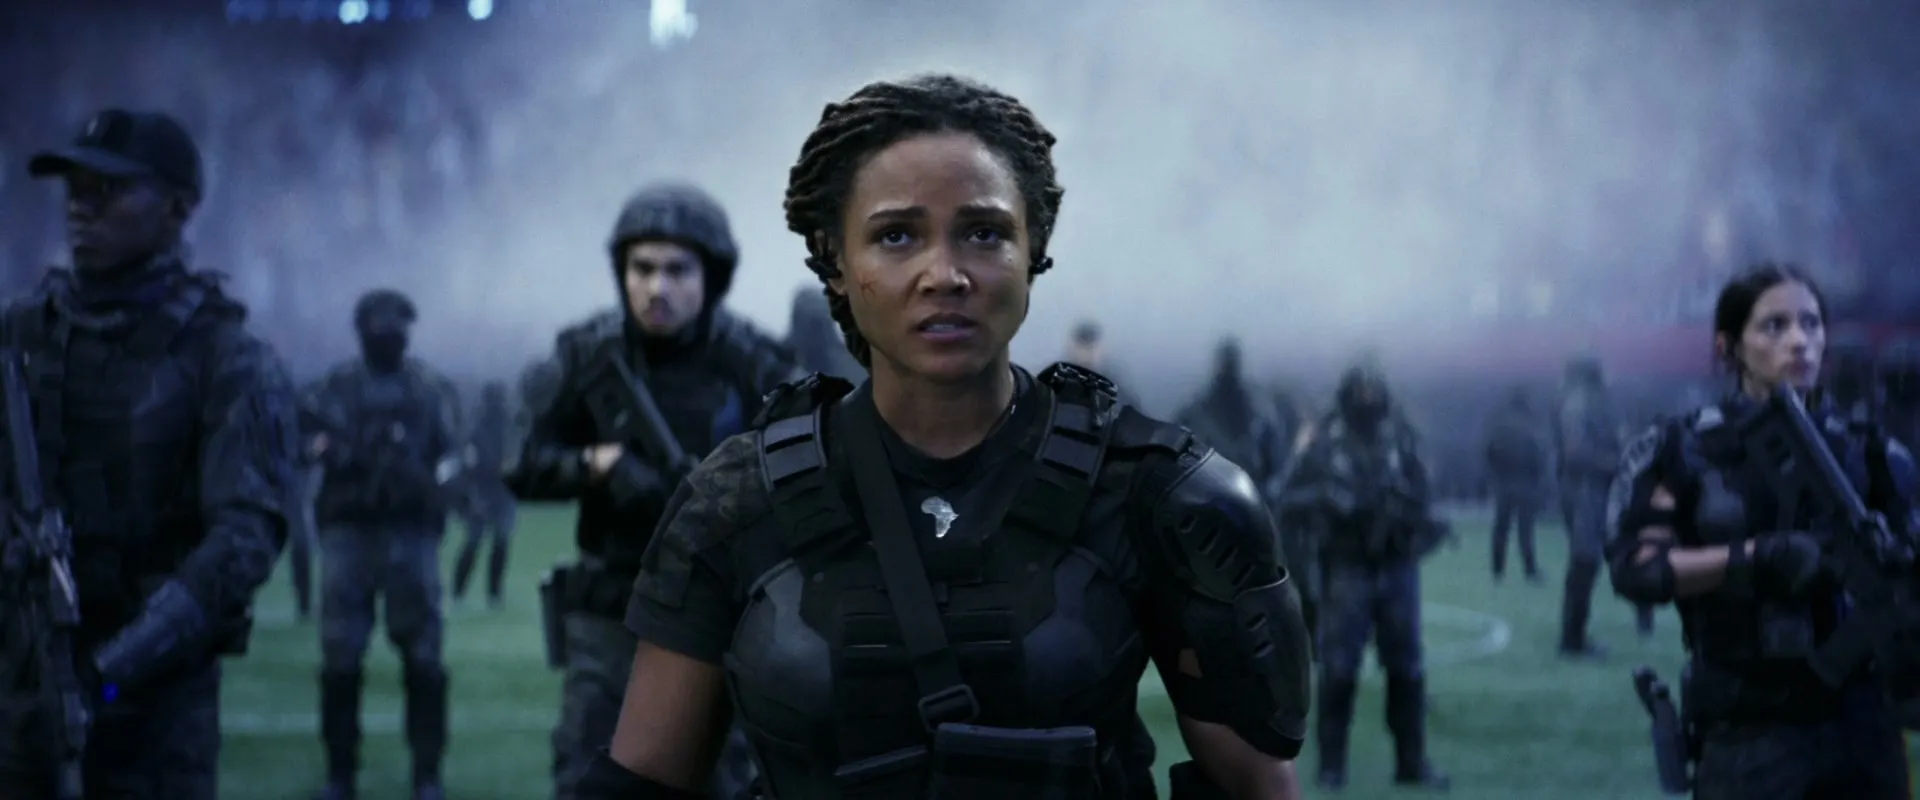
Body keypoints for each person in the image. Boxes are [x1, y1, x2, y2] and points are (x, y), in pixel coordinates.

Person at [578, 73, 1310, 799]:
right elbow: (639, 786)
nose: (945, 274)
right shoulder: (735, 502)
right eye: (896, 236)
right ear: (836, 260)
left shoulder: (1159, 495)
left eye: (983, 233)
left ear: (1034, 246)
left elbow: (1259, 789)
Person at [0, 108, 301, 799]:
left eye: (108, 188)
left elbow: (245, 536)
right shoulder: (19, 336)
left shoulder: (226, 357)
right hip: (18, 710)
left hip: (153, 726)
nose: (82, 205)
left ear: (177, 208)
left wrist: (108, 673)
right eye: (75, 186)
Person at [508, 182, 799, 800]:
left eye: (676, 270)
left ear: (710, 277)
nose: (656, 288)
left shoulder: (756, 364)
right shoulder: (587, 355)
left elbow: (806, 471)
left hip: (721, 614)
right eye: (641, 269)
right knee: (591, 772)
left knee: (724, 776)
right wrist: (597, 464)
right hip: (610, 610)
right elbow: (521, 463)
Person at [1606, 263, 1916, 798]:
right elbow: (1637, 568)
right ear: (1729, 347)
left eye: (1811, 323)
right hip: (1747, 733)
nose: (1799, 341)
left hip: (1864, 731)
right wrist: (1757, 556)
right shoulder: (1684, 450)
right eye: (1775, 326)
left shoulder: (1871, 452)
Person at [304, 289, 463, 800]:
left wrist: (427, 483)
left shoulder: (427, 390)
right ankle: (341, 773)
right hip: (350, 531)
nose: (389, 333)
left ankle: (426, 774)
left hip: (410, 531)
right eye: (379, 324)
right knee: (341, 656)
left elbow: (451, 456)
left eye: (397, 324)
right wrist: (335, 452)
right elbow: (305, 440)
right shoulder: (335, 389)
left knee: (423, 658)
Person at [1283, 364, 1450, 791]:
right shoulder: (1324, 444)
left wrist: (1414, 522)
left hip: (1395, 566)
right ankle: (1331, 767)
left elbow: (1425, 498)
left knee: (1407, 669)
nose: (1368, 399)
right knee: (1339, 670)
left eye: (1374, 391)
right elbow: (1287, 497)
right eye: (1360, 391)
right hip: (1346, 568)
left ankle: (1411, 763)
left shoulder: (1401, 442)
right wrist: (1328, 498)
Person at [1555, 355, 1631, 656]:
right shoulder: (1580, 403)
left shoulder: (1584, 402)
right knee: (1584, 561)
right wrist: (1615, 463)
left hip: (1589, 489)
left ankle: (1574, 635)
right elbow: (1576, 452)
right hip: (1584, 490)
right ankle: (1572, 639)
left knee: (1586, 562)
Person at [451, 381, 518, 608]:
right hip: (485, 492)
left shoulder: (502, 428)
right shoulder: (479, 430)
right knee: (478, 542)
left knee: (495, 543)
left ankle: (491, 593)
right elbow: (471, 465)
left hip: (498, 492)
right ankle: (463, 592)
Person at [1484, 386, 1547, 583]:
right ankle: (1530, 570)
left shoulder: (1500, 426)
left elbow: (1489, 453)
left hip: (1503, 484)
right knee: (1525, 531)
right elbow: (1539, 458)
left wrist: (1496, 475)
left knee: (1501, 529)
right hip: (1526, 484)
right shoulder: (1530, 427)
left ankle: (1497, 570)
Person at [786, 283, 866, 382]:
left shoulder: (853, 364)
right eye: (810, 324)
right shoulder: (778, 364)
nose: (813, 335)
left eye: (817, 324)